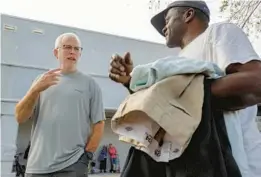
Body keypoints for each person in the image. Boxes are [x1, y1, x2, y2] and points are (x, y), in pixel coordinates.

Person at [109, 1, 261, 177]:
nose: (164, 28)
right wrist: (131, 82)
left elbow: (256, 83)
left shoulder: (218, 32)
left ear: (188, 15)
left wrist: (186, 94)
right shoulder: (175, 63)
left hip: (236, 165)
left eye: (167, 20)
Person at [15, 32, 105, 177]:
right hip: (37, 167)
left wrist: (85, 158)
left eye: (77, 49)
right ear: (56, 52)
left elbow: (99, 124)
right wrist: (35, 90)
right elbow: (20, 117)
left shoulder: (90, 84)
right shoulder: (41, 80)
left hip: (73, 166)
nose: (72, 51)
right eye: (67, 47)